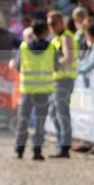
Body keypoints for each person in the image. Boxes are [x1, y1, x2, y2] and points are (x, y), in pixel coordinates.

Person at [12, 19, 55, 161]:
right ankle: (37, 151)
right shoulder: (51, 47)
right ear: (45, 32)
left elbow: (17, 66)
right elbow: (56, 66)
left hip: (27, 89)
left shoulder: (24, 47)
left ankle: (19, 150)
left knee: (23, 120)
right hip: (43, 90)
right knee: (40, 122)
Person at [47, 11, 78, 159]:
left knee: (61, 113)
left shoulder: (65, 37)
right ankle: (62, 143)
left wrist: (54, 64)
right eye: (48, 24)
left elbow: (69, 58)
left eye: (53, 24)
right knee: (53, 113)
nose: (50, 27)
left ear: (61, 23)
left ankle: (64, 146)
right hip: (56, 80)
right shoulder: (56, 39)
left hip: (64, 80)